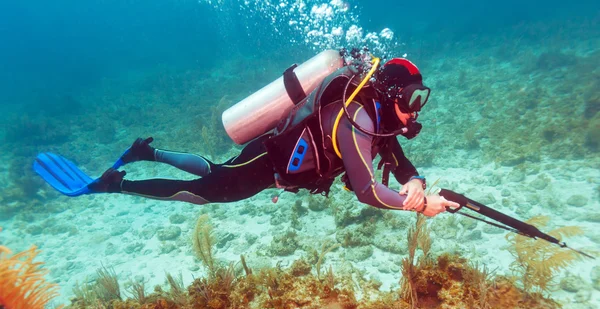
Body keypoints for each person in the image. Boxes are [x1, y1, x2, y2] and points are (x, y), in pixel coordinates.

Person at [38, 57, 459, 216]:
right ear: (386, 93)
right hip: (267, 163)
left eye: (420, 98)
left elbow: (396, 158)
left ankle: (147, 153)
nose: (414, 108)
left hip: (272, 162)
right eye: (410, 97)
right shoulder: (353, 117)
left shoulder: (378, 118)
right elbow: (366, 190)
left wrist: (415, 181)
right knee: (206, 193)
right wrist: (416, 206)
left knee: (216, 170)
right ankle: (117, 184)